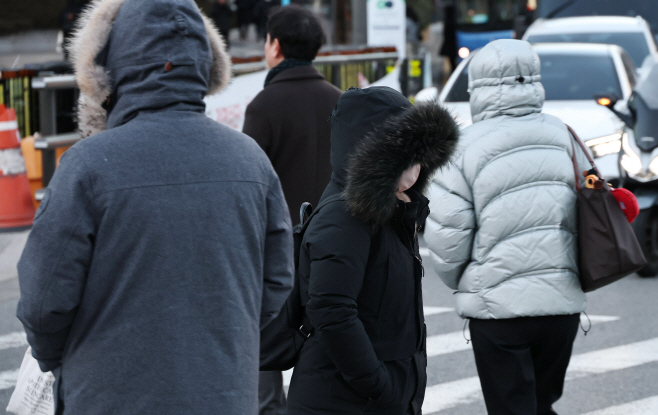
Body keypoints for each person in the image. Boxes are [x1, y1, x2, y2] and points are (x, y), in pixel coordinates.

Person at [16, 1, 294, 414]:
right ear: (205, 64)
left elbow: (43, 304)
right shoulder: (250, 160)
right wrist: (225, 334)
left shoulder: (87, 166)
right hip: (224, 392)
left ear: (112, 65)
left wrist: (63, 357)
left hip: (110, 395)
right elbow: (277, 280)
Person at [425, 39, 589, 415]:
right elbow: (591, 211)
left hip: (497, 310)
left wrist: (465, 281)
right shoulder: (564, 136)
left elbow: (448, 238)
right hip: (560, 305)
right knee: (542, 405)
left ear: (477, 87)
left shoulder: (461, 148)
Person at [287, 86, 459, 415]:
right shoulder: (343, 216)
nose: (417, 162)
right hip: (342, 402)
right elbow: (331, 310)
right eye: (406, 151)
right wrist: (379, 387)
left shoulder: (394, 211)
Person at [242, 5, 341, 414]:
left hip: (277, 252)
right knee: (326, 350)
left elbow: (248, 187)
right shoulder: (339, 100)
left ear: (275, 46)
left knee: (266, 352)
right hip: (334, 246)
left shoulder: (264, 105)